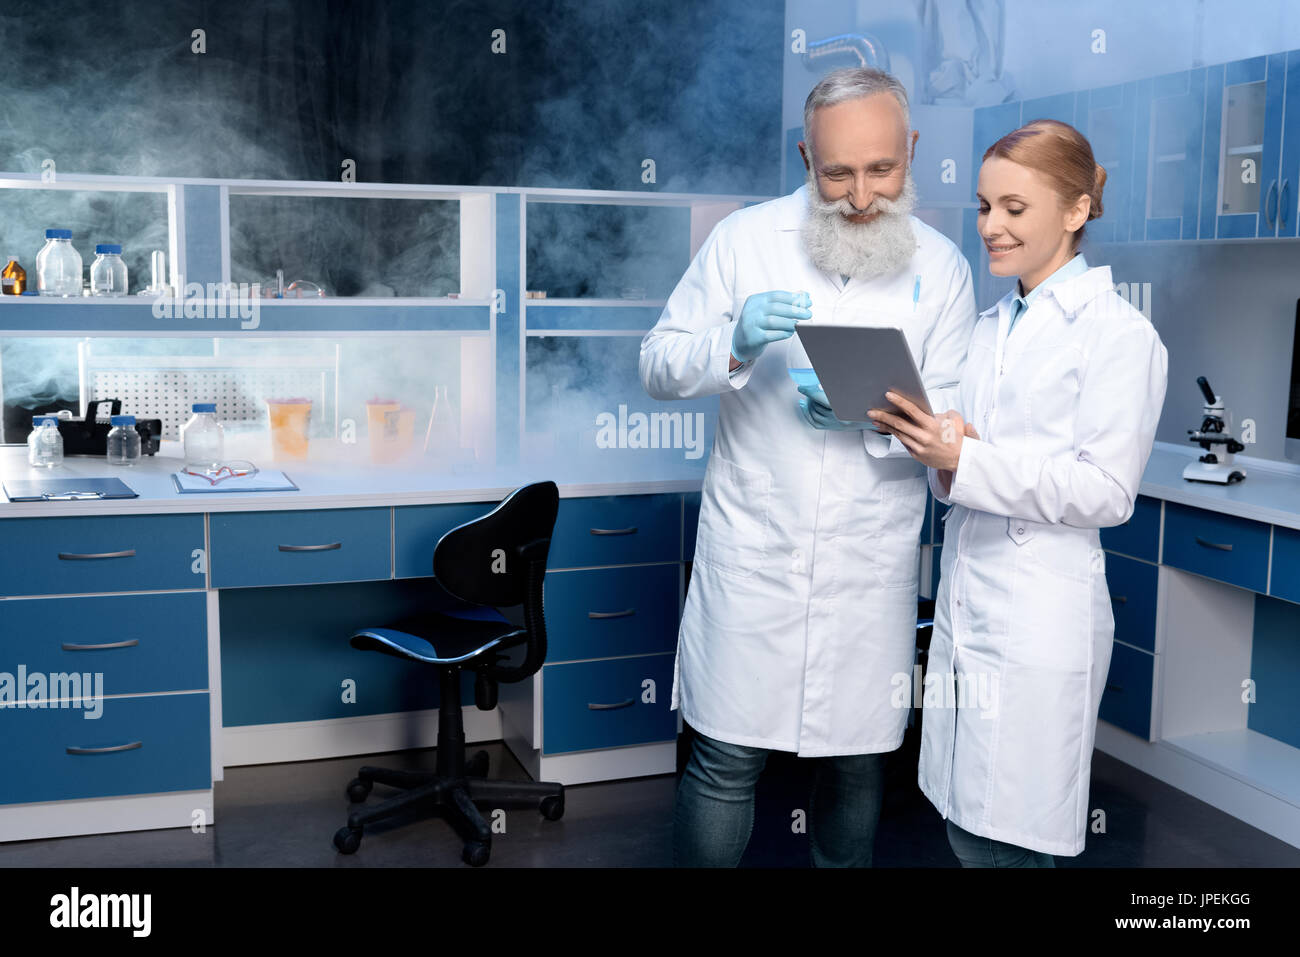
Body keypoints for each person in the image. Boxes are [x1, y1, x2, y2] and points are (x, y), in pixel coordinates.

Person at [639, 66, 977, 867]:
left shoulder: (945, 267)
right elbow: (656, 364)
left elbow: (955, 425)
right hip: (755, 559)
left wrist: (881, 422)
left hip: (868, 565)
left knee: (858, 766)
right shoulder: (744, 242)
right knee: (725, 760)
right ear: (804, 157)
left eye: (882, 169)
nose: (861, 195)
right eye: (837, 173)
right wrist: (734, 341)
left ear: (912, 150)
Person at [867, 118, 1168, 866]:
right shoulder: (990, 325)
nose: (990, 227)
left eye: (1013, 208)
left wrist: (966, 456)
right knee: (964, 825)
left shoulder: (1119, 335)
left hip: (1040, 619)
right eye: (982, 206)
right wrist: (939, 451)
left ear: (1074, 211)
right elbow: (964, 473)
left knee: (1007, 842)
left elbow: (1105, 492)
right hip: (972, 607)